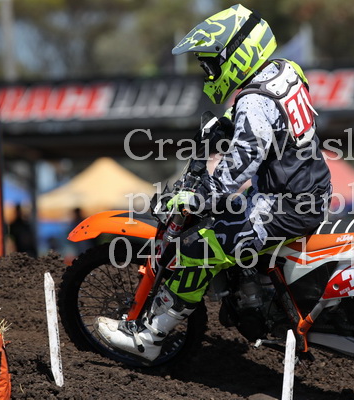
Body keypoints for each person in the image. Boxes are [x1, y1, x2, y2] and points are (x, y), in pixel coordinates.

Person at [95, 4, 331, 361]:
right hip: (308, 190)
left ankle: (149, 337)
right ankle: (255, 299)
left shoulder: (254, 100)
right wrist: (226, 124)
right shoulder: (286, 70)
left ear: (236, 53)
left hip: (285, 204)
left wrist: (206, 193)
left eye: (210, 64)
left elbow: (244, 157)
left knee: (197, 248)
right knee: (229, 223)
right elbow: (270, 118)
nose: (208, 72)